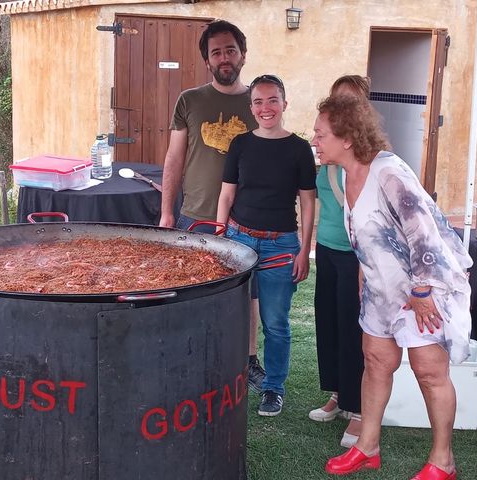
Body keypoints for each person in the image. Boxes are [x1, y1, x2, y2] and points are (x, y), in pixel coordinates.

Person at [312, 95, 472, 479]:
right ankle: (367, 447)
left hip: (424, 288)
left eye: (320, 134)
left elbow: (424, 234)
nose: (315, 140)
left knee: (430, 370)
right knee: (376, 361)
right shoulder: (343, 174)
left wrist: (421, 292)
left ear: (346, 138)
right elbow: (370, 239)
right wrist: (367, 279)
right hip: (382, 289)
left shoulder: (388, 171)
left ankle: (443, 461)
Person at [158, 20, 265, 393]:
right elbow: (174, 159)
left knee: (246, 293)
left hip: (245, 218)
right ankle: (188, 353)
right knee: (189, 288)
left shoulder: (258, 102)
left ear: (243, 55)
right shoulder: (189, 100)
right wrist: (167, 212)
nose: (224, 58)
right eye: (216, 52)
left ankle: (249, 360)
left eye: (230, 50)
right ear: (207, 59)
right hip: (195, 214)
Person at [217, 74, 316, 416]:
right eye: (258, 102)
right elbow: (227, 192)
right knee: (233, 315)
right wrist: (220, 234)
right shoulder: (240, 144)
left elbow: (307, 202)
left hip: (280, 246)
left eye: (272, 100)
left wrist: (304, 249)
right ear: (251, 108)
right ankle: (232, 376)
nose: (265, 108)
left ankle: (273, 387)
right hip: (238, 240)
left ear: (284, 104)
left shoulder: (300, 149)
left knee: (275, 321)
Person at [309, 75, 370, 448]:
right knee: (328, 324)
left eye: (349, 102)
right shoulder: (327, 153)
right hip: (328, 249)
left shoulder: (365, 157)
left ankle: (359, 409)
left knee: (354, 330)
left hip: (355, 257)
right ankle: (336, 394)